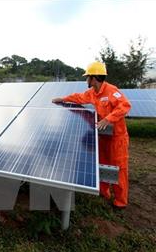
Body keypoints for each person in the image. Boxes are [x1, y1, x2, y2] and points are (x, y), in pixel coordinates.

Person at [52, 61, 131, 208]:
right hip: (103, 136)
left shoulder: (111, 91)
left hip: (117, 138)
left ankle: (120, 202)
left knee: (118, 169)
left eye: (87, 77)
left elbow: (125, 105)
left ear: (94, 78)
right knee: (102, 164)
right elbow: (78, 97)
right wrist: (62, 99)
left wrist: (108, 119)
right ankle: (104, 191)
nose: (86, 80)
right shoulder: (93, 93)